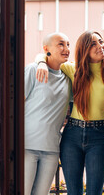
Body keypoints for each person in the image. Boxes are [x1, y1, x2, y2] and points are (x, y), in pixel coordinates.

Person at [36, 30, 104, 195]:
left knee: (94, 192)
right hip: (72, 135)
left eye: (101, 41)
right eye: (93, 43)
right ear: (84, 49)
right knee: (73, 192)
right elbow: (46, 56)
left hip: (99, 137)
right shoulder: (74, 70)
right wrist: (41, 63)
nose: (100, 46)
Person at [24, 32, 72, 195]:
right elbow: (15, 106)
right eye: (61, 44)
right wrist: (41, 62)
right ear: (46, 49)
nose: (66, 49)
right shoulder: (32, 69)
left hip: (52, 149)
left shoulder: (68, 79)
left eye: (68, 44)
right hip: (26, 146)